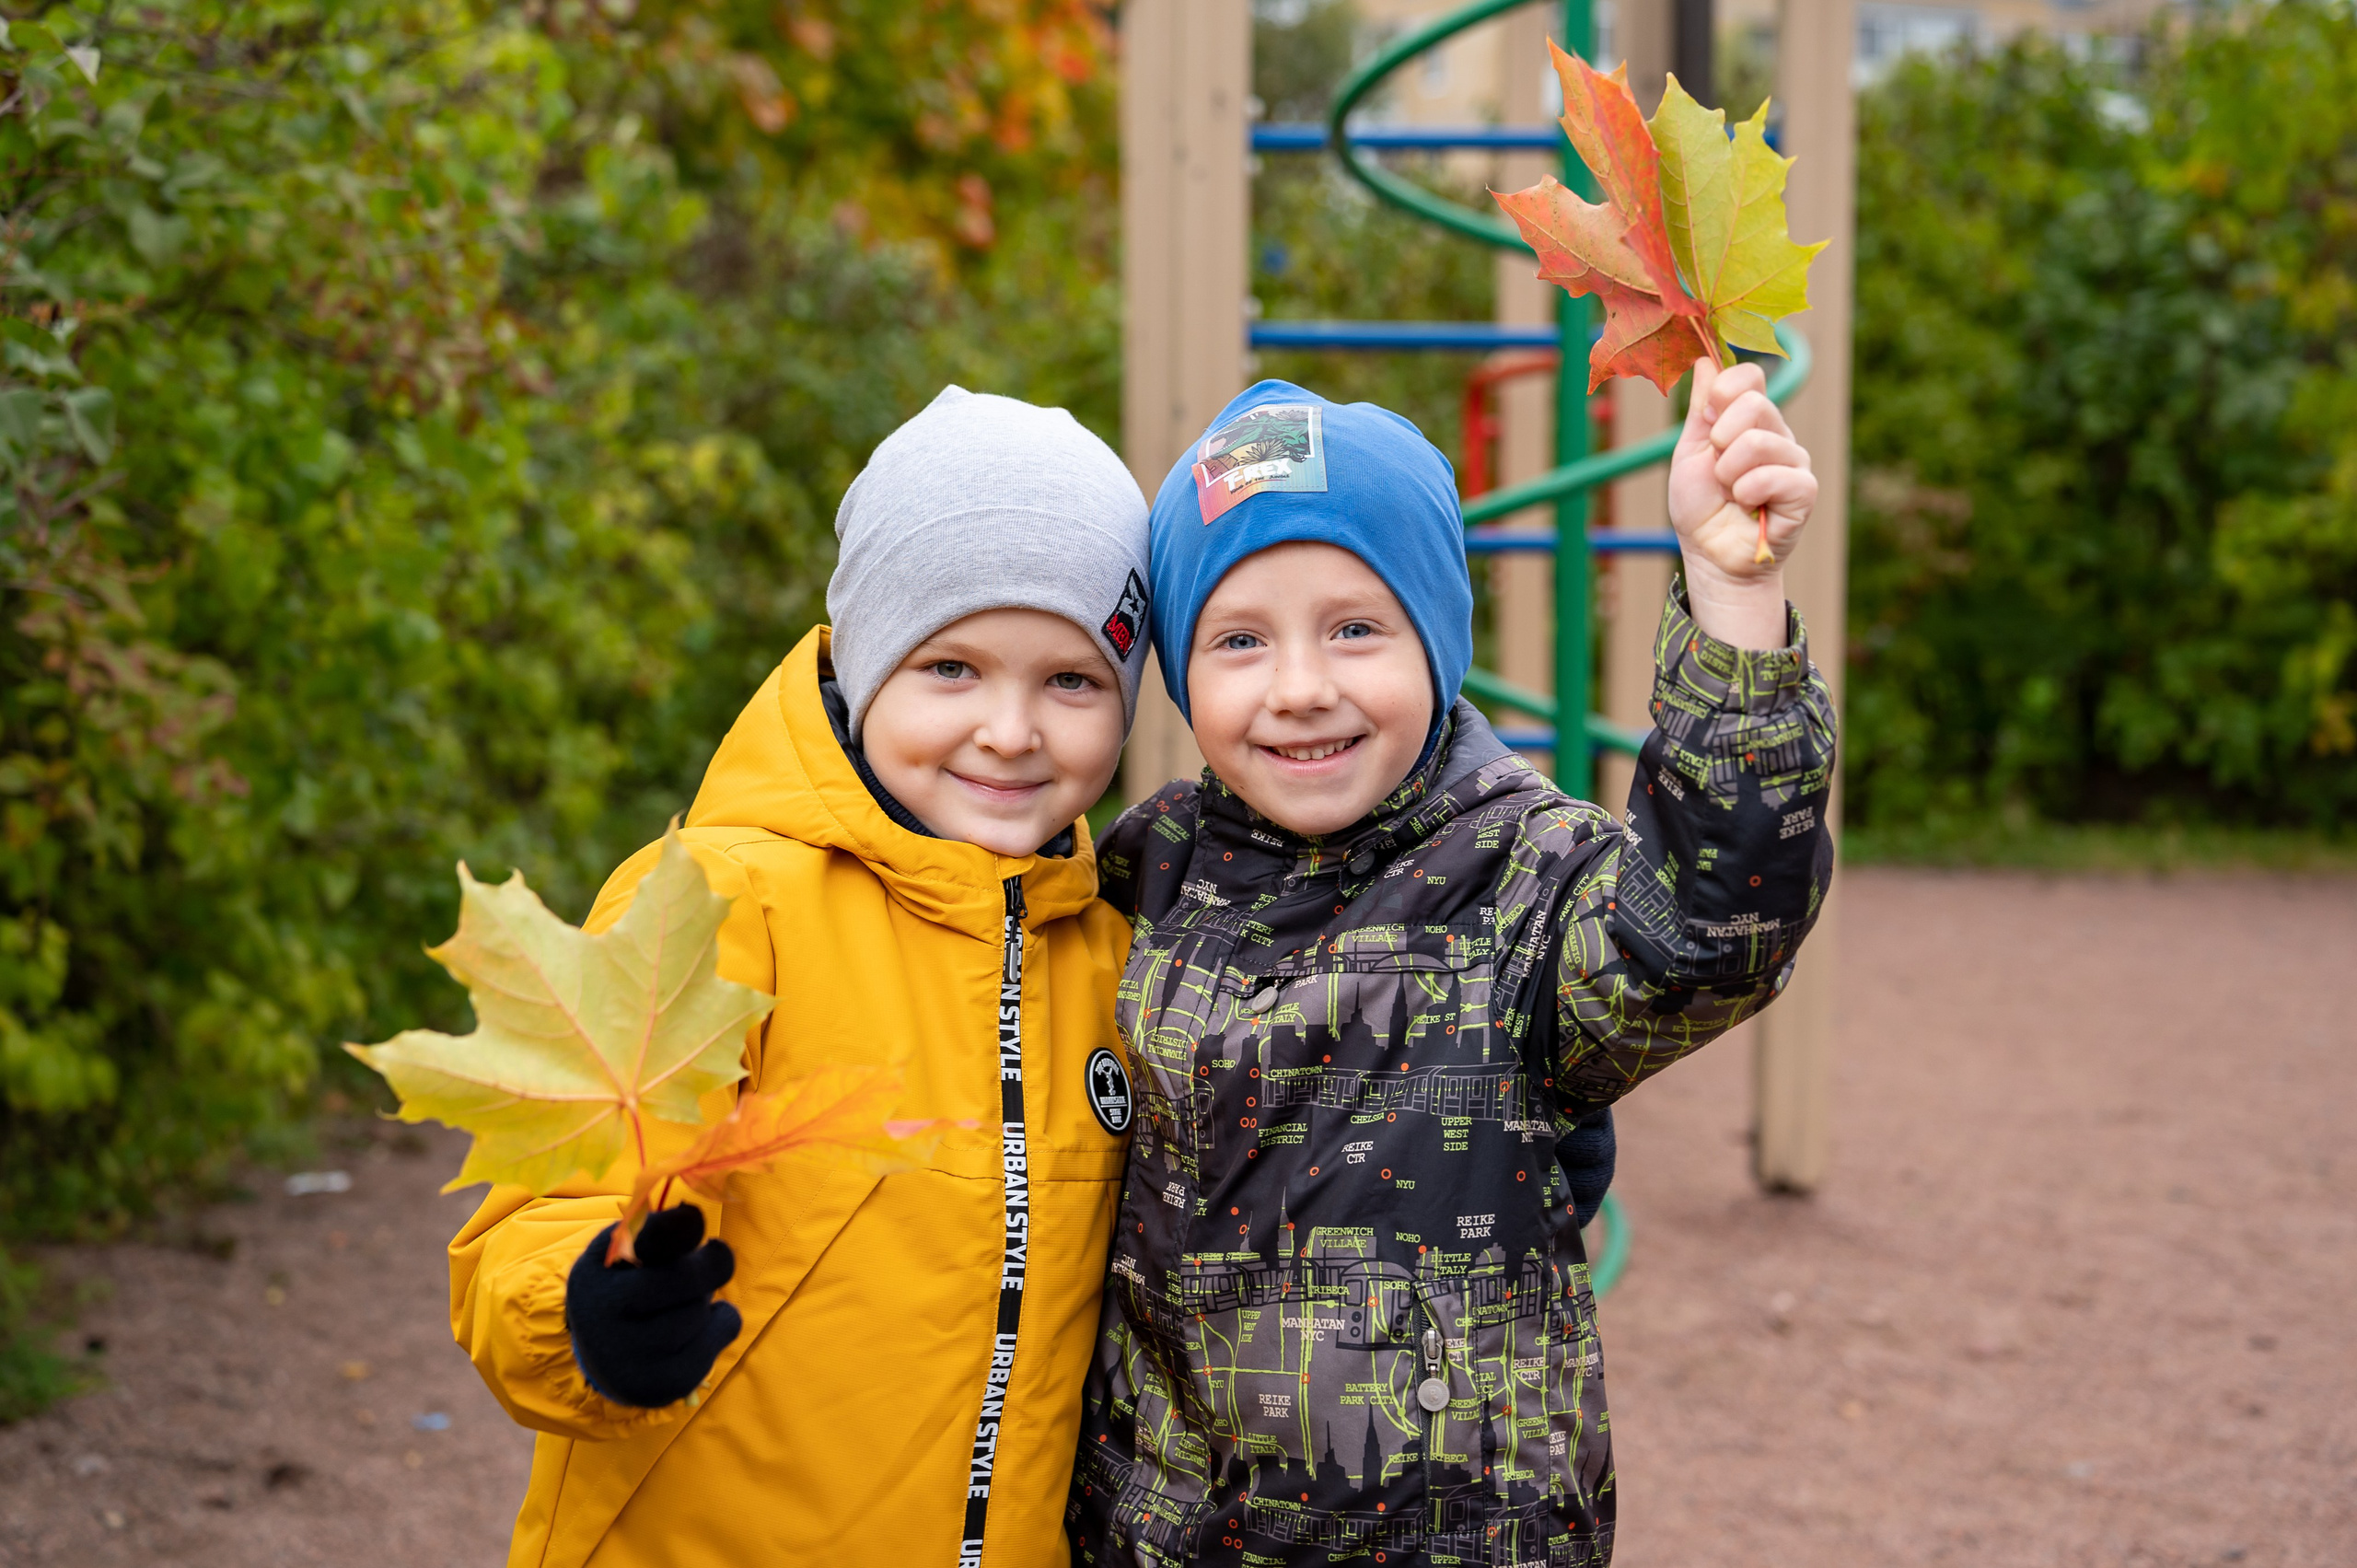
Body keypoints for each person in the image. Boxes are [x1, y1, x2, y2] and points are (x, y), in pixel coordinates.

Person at [1065, 361, 1839, 1566]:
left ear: (1439, 636)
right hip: (1174, 1531)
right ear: (1179, 668)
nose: (1303, 686)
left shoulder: (1524, 877)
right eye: (1240, 639)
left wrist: (1735, 593)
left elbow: (1709, 926)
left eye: (1357, 627)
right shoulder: (1144, 868)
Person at [448, 387, 1155, 1568]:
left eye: (1071, 681)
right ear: (867, 662)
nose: (1010, 728)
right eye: (952, 667)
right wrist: (583, 1313)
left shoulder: (1113, 952)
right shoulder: (717, 905)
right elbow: (545, 1208)